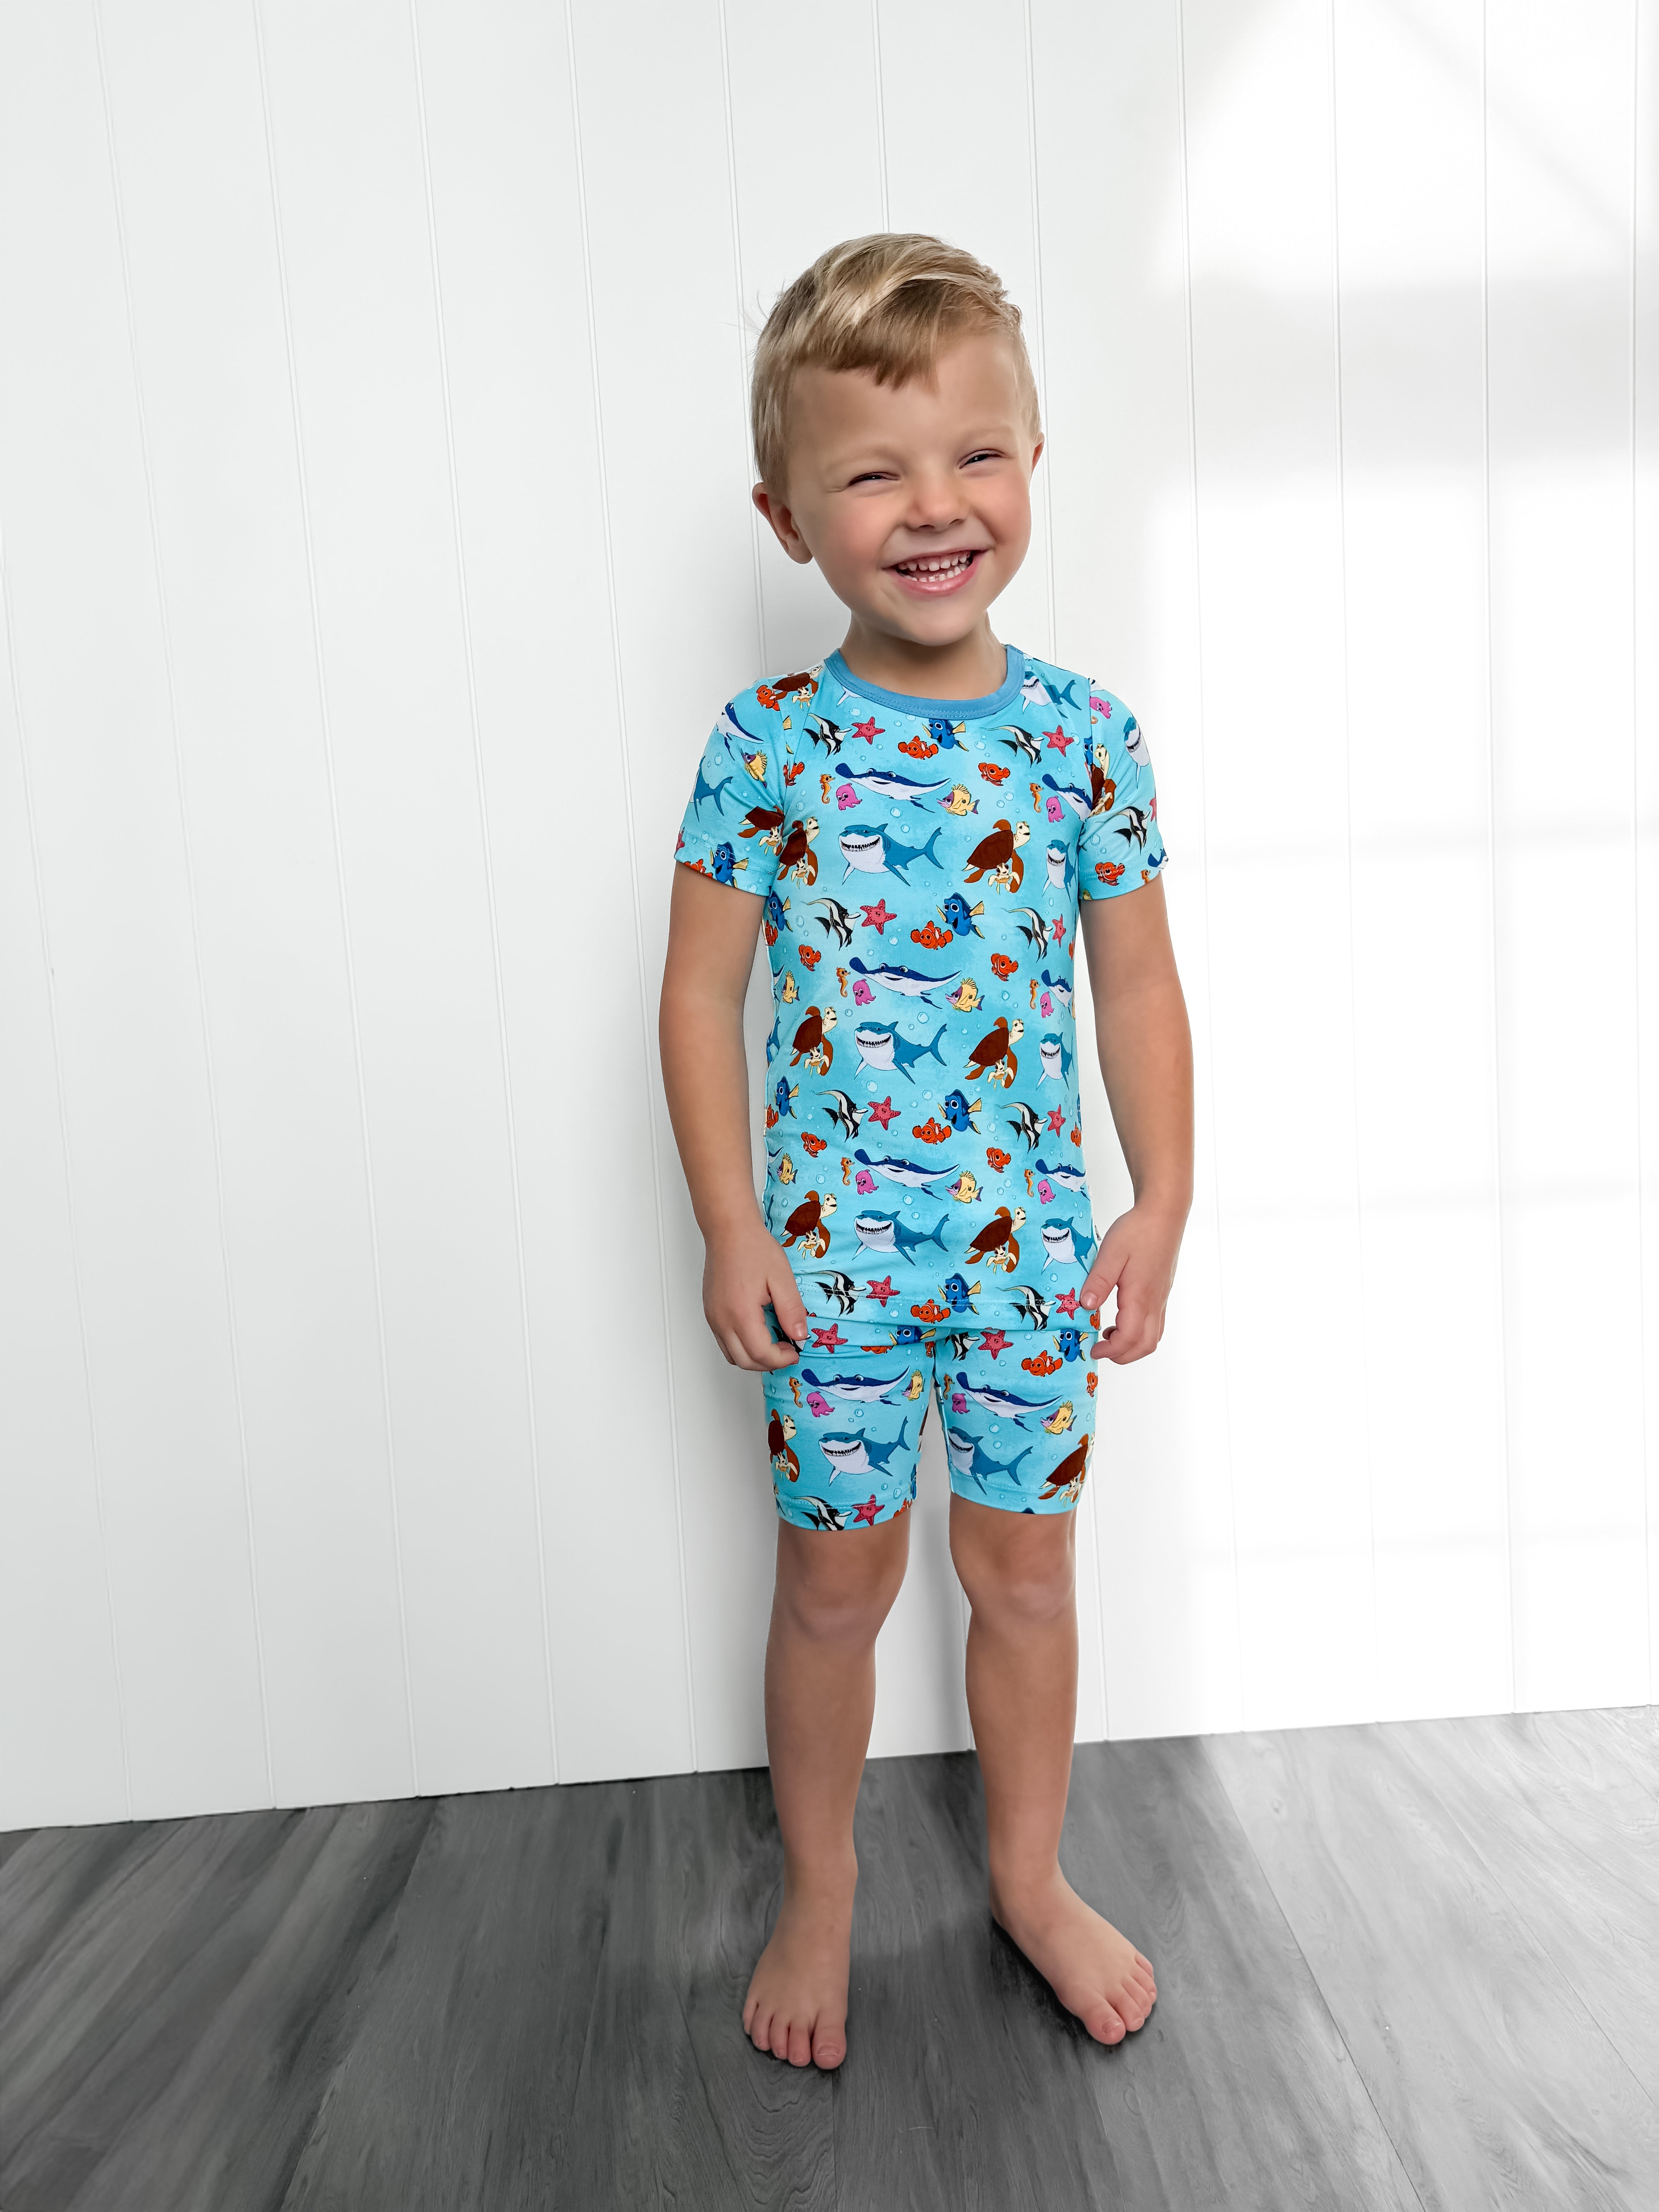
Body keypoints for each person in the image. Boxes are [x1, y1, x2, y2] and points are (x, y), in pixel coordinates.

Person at [659, 234, 1193, 2073]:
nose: (935, 505)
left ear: (1034, 461)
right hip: (835, 1272)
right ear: (787, 516)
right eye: (874, 472)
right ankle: (822, 1884)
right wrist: (732, 1226)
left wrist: (1162, 1199)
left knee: (1027, 1576)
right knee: (834, 1584)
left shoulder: (1085, 741)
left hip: (1027, 1263)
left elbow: (1136, 987)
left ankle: (1028, 1876)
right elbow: (700, 995)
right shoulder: (768, 745)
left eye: (976, 453)